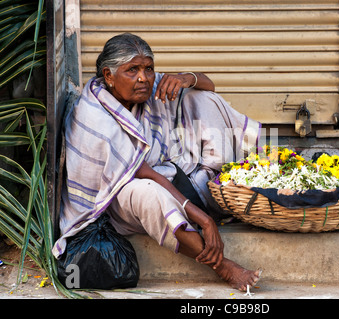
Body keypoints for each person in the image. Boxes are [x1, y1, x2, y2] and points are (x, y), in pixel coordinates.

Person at [52, 33, 262, 291]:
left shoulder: (144, 87)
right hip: (114, 201)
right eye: (133, 70)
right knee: (147, 193)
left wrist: (188, 78)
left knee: (203, 98)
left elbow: (210, 87)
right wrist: (204, 220)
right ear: (108, 76)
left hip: (165, 171)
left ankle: (223, 185)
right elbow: (144, 174)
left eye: (148, 68)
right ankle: (223, 266)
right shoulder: (92, 113)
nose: (144, 77)